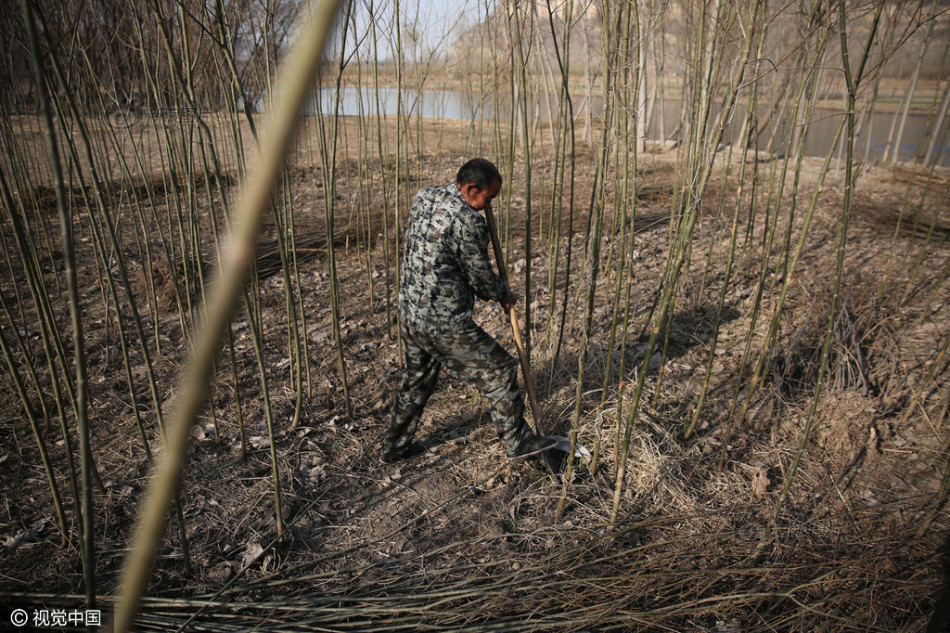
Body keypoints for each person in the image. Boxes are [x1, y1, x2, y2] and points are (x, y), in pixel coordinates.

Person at [383, 158, 555, 464]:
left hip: (410, 313)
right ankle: (519, 443)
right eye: (487, 198)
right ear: (470, 188)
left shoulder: (424, 195)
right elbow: (480, 279)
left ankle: (395, 447)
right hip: (442, 324)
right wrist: (503, 293)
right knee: (500, 370)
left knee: (417, 379)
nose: (487, 205)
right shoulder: (468, 221)